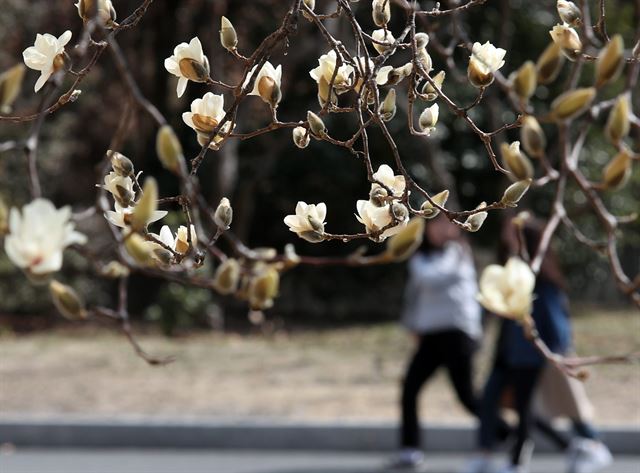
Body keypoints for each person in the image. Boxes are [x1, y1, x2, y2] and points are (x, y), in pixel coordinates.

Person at [465, 216, 612, 473]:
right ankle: (488, 454)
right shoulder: (513, 271)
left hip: (529, 356)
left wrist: (554, 353)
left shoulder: (541, 280)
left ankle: (579, 447)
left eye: (513, 233)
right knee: (492, 401)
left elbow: (556, 324)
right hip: (508, 354)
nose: (506, 238)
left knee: (532, 408)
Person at [389, 214, 483, 469]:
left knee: (467, 396)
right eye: (436, 224)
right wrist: (412, 326)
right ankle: (410, 448)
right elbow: (416, 293)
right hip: (431, 336)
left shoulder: (459, 252)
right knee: (410, 388)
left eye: (446, 223)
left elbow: (434, 278)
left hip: (457, 334)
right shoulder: (420, 256)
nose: (441, 229)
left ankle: (503, 432)